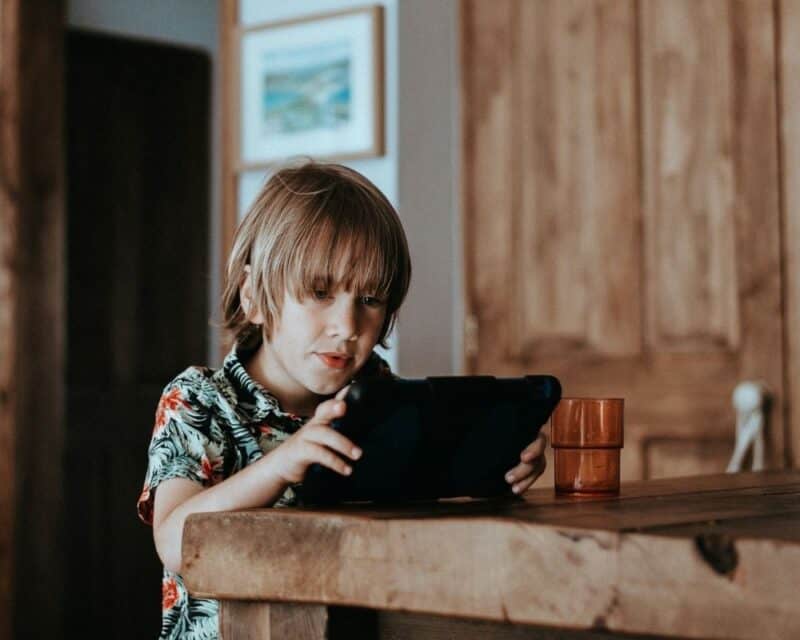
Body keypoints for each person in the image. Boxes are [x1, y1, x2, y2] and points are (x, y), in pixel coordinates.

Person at [136, 161, 548, 639]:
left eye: (370, 300)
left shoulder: (379, 399)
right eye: (319, 292)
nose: (348, 327)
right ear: (252, 294)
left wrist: (495, 464)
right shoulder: (200, 400)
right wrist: (279, 465)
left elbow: (418, 516)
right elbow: (172, 540)